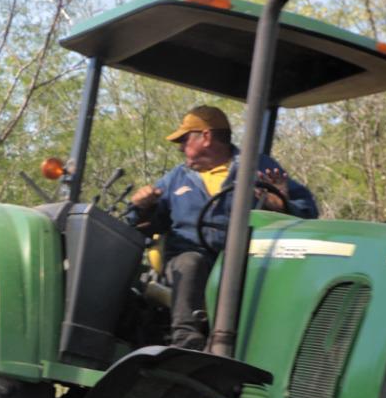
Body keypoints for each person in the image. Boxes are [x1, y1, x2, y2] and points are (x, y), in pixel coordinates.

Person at [130, 105, 319, 349]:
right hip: (190, 260)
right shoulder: (176, 178)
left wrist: (282, 204)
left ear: (206, 137)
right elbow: (143, 225)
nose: (180, 148)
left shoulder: (258, 167)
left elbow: (307, 212)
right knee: (190, 262)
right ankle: (186, 340)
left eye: (184, 140)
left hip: (244, 262)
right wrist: (141, 207)